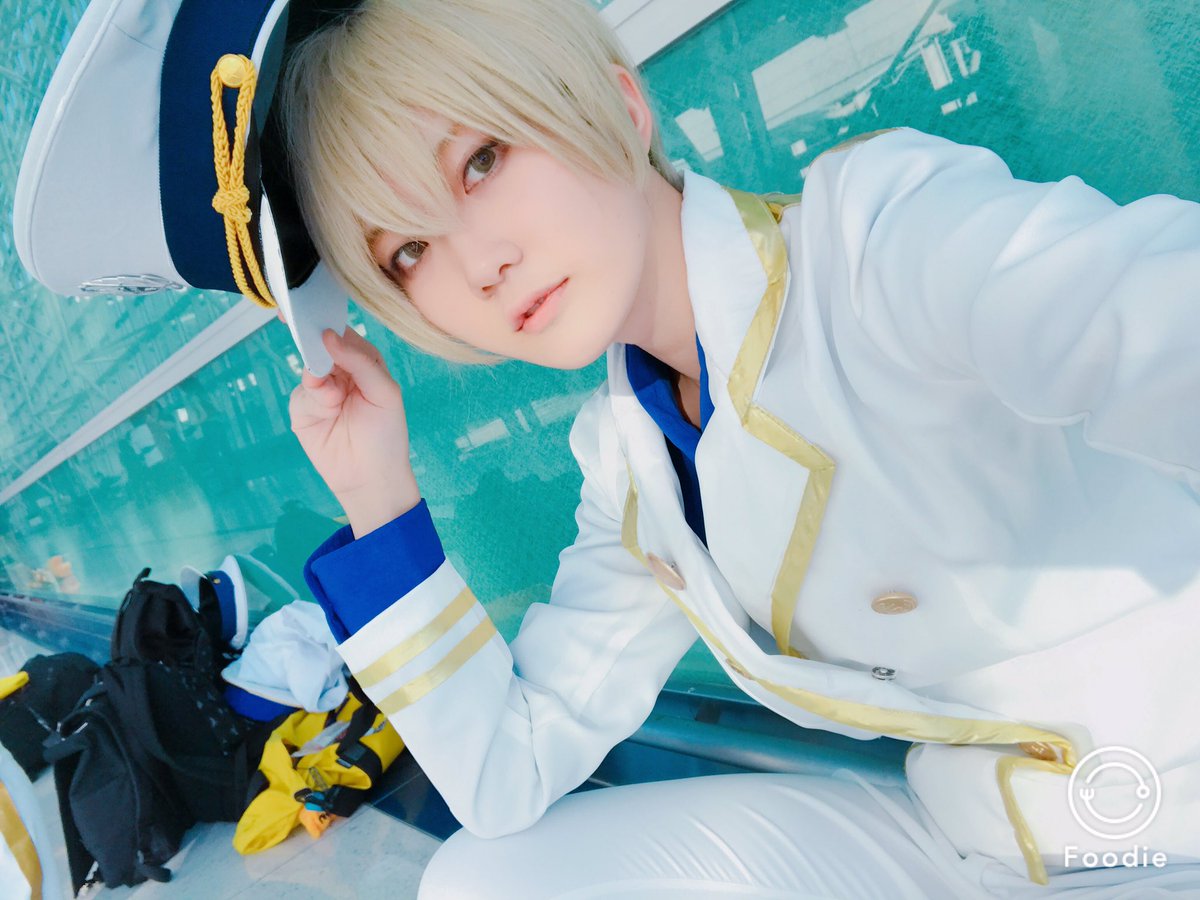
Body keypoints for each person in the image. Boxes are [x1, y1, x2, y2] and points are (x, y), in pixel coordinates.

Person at [12, 0, 1200, 896]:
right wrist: (381, 500)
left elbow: (1151, 317)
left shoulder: (876, 242)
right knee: (480, 879)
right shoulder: (629, 458)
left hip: (1168, 813)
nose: (478, 263)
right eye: (407, 252)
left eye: (481, 160)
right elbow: (507, 774)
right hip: (965, 836)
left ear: (621, 107)